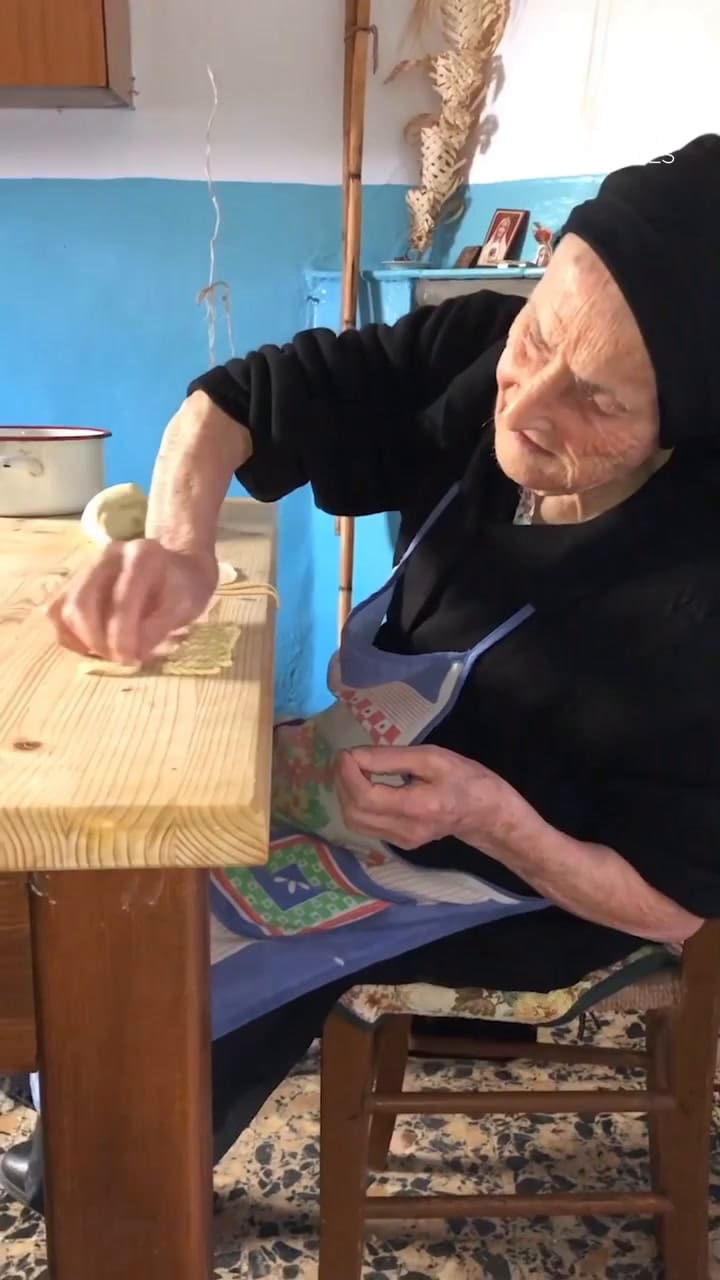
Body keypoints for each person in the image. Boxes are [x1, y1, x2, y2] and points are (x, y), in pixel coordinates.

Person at [4, 134, 720, 1213]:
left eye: (600, 403)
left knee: (165, 947)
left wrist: (487, 815)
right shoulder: (477, 357)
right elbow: (239, 399)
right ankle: (62, 1070)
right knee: (113, 874)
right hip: (368, 777)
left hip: (526, 876)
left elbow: (677, 907)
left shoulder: (697, 587)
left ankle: (111, 1177)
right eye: (537, 339)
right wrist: (181, 540)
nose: (526, 409)